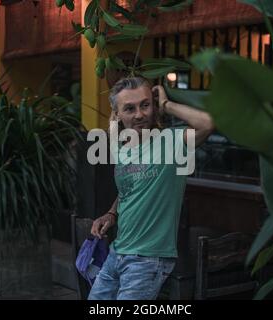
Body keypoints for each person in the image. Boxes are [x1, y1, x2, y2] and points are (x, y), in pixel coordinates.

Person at [88, 76, 214, 300]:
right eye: (129, 108)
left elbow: (207, 123)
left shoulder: (172, 142)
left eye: (145, 105)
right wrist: (111, 213)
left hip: (148, 259)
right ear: (117, 114)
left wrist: (166, 104)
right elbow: (129, 189)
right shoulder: (122, 146)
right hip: (117, 252)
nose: (139, 114)